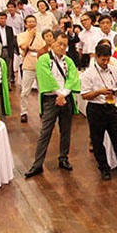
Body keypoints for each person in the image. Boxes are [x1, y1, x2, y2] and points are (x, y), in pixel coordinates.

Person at [24, 31, 80, 178]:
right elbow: (46, 78)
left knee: (66, 130)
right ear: (53, 42)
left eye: (64, 45)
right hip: (51, 99)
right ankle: (37, 164)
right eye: (59, 44)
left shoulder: (68, 61)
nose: (62, 47)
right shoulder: (44, 59)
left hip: (65, 98)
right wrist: (58, 94)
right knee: (45, 131)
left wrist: (63, 94)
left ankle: (63, 158)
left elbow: (73, 78)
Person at [79, 43, 117, 180]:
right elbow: (85, 95)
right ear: (96, 57)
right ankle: (104, 169)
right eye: (103, 59)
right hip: (95, 108)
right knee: (97, 141)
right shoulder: (88, 74)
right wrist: (99, 92)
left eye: (107, 59)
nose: (105, 62)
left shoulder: (114, 70)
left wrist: (116, 91)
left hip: (111, 107)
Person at [17, 14, 48, 122]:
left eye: (33, 21)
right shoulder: (21, 35)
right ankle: (24, 112)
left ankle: (42, 110)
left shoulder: (41, 35)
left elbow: (44, 49)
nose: (32, 23)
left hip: (41, 65)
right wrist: (30, 36)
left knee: (42, 90)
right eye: (29, 22)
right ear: (25, 24)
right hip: (28, 66)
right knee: (25, 91)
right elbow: (23, 46)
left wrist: (33, 48)